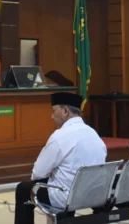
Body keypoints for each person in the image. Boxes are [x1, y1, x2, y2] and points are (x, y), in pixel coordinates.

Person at [14, 93, 106, 224]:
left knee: (23, 189)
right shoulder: (93, 133)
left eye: (53, 111)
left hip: (66, 197)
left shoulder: (60, 136)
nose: (51, 116)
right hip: (91, 194)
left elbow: (37, 173)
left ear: (65, 111)